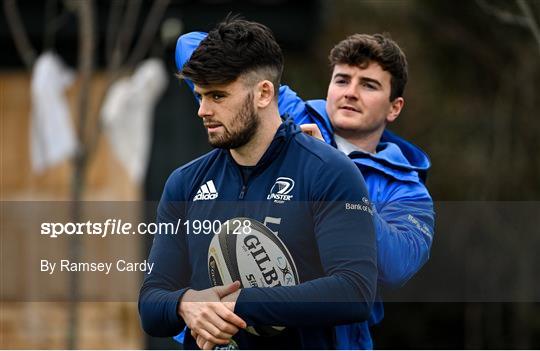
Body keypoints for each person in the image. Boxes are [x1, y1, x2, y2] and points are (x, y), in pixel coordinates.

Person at [176, 29, 435, 349]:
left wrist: (332, 171)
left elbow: (395, 267)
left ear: (394, 107)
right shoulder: (290, 112)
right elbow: (188, 45)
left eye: (368, 85)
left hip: (323, 336)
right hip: (229, 326)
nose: (350, 92)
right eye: (342, 80)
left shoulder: (407, 190)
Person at [138, 17, 378, 350]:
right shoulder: (184, 183)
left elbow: (354, 292)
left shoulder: (329, 172)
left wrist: (236, 305)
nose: (202, 110)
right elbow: (151, 302)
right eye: (200, 95)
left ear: (264, 93)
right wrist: (185, 304)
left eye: (218, 96)